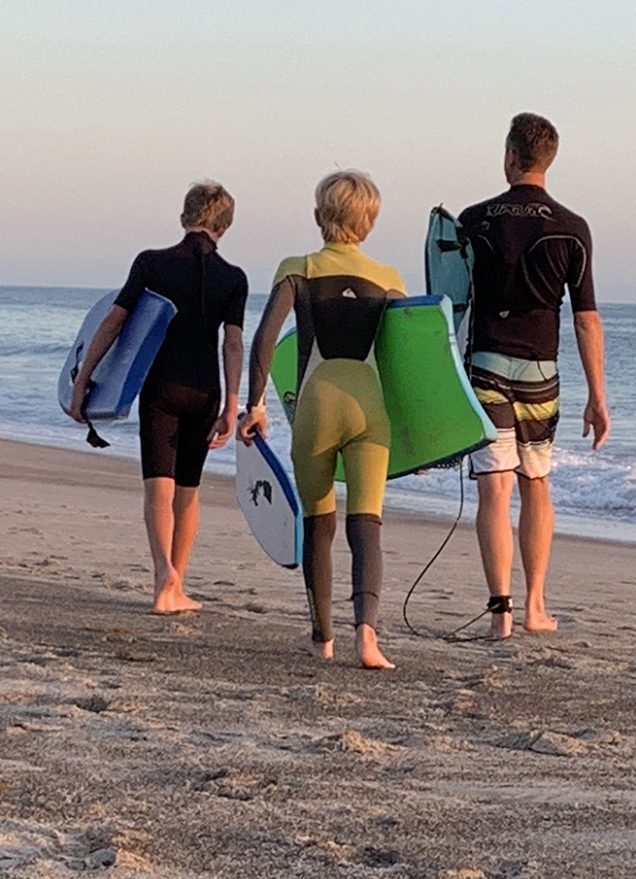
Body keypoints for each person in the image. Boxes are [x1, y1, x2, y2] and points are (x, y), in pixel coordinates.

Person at [238, 171, 406, 670]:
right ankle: (368, 639)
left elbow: (265, 339)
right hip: (370, 412)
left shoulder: (299, 268)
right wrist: (421, 441)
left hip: (315, 408)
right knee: (367, 523)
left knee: (318, 523)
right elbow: (407, 367)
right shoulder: (390, 280)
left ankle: (322, 638)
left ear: (318, 217)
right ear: (370, 224)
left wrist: (256, 405)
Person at [459, 112, 611, 639]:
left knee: (493, 489)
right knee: (536, 483)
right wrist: (598, 395)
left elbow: (452, 305)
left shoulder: (471, 221)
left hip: (484, 367)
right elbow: (586, 318)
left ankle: (499, 615)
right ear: (549, 160)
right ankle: (534, 606)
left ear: (509, 156)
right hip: (540, 374)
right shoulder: (572, 227)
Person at [70, 181, 247, 614]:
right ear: (224, 226)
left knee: (158, 492)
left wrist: (82, 381)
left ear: (185, 216)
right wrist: (231, 404)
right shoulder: (234, 278)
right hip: (205, 391)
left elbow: (113, 324)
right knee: (189, 492)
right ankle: (178, 583)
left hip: (162, 388)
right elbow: (233, 345)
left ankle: (161, 576)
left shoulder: (151, 264)